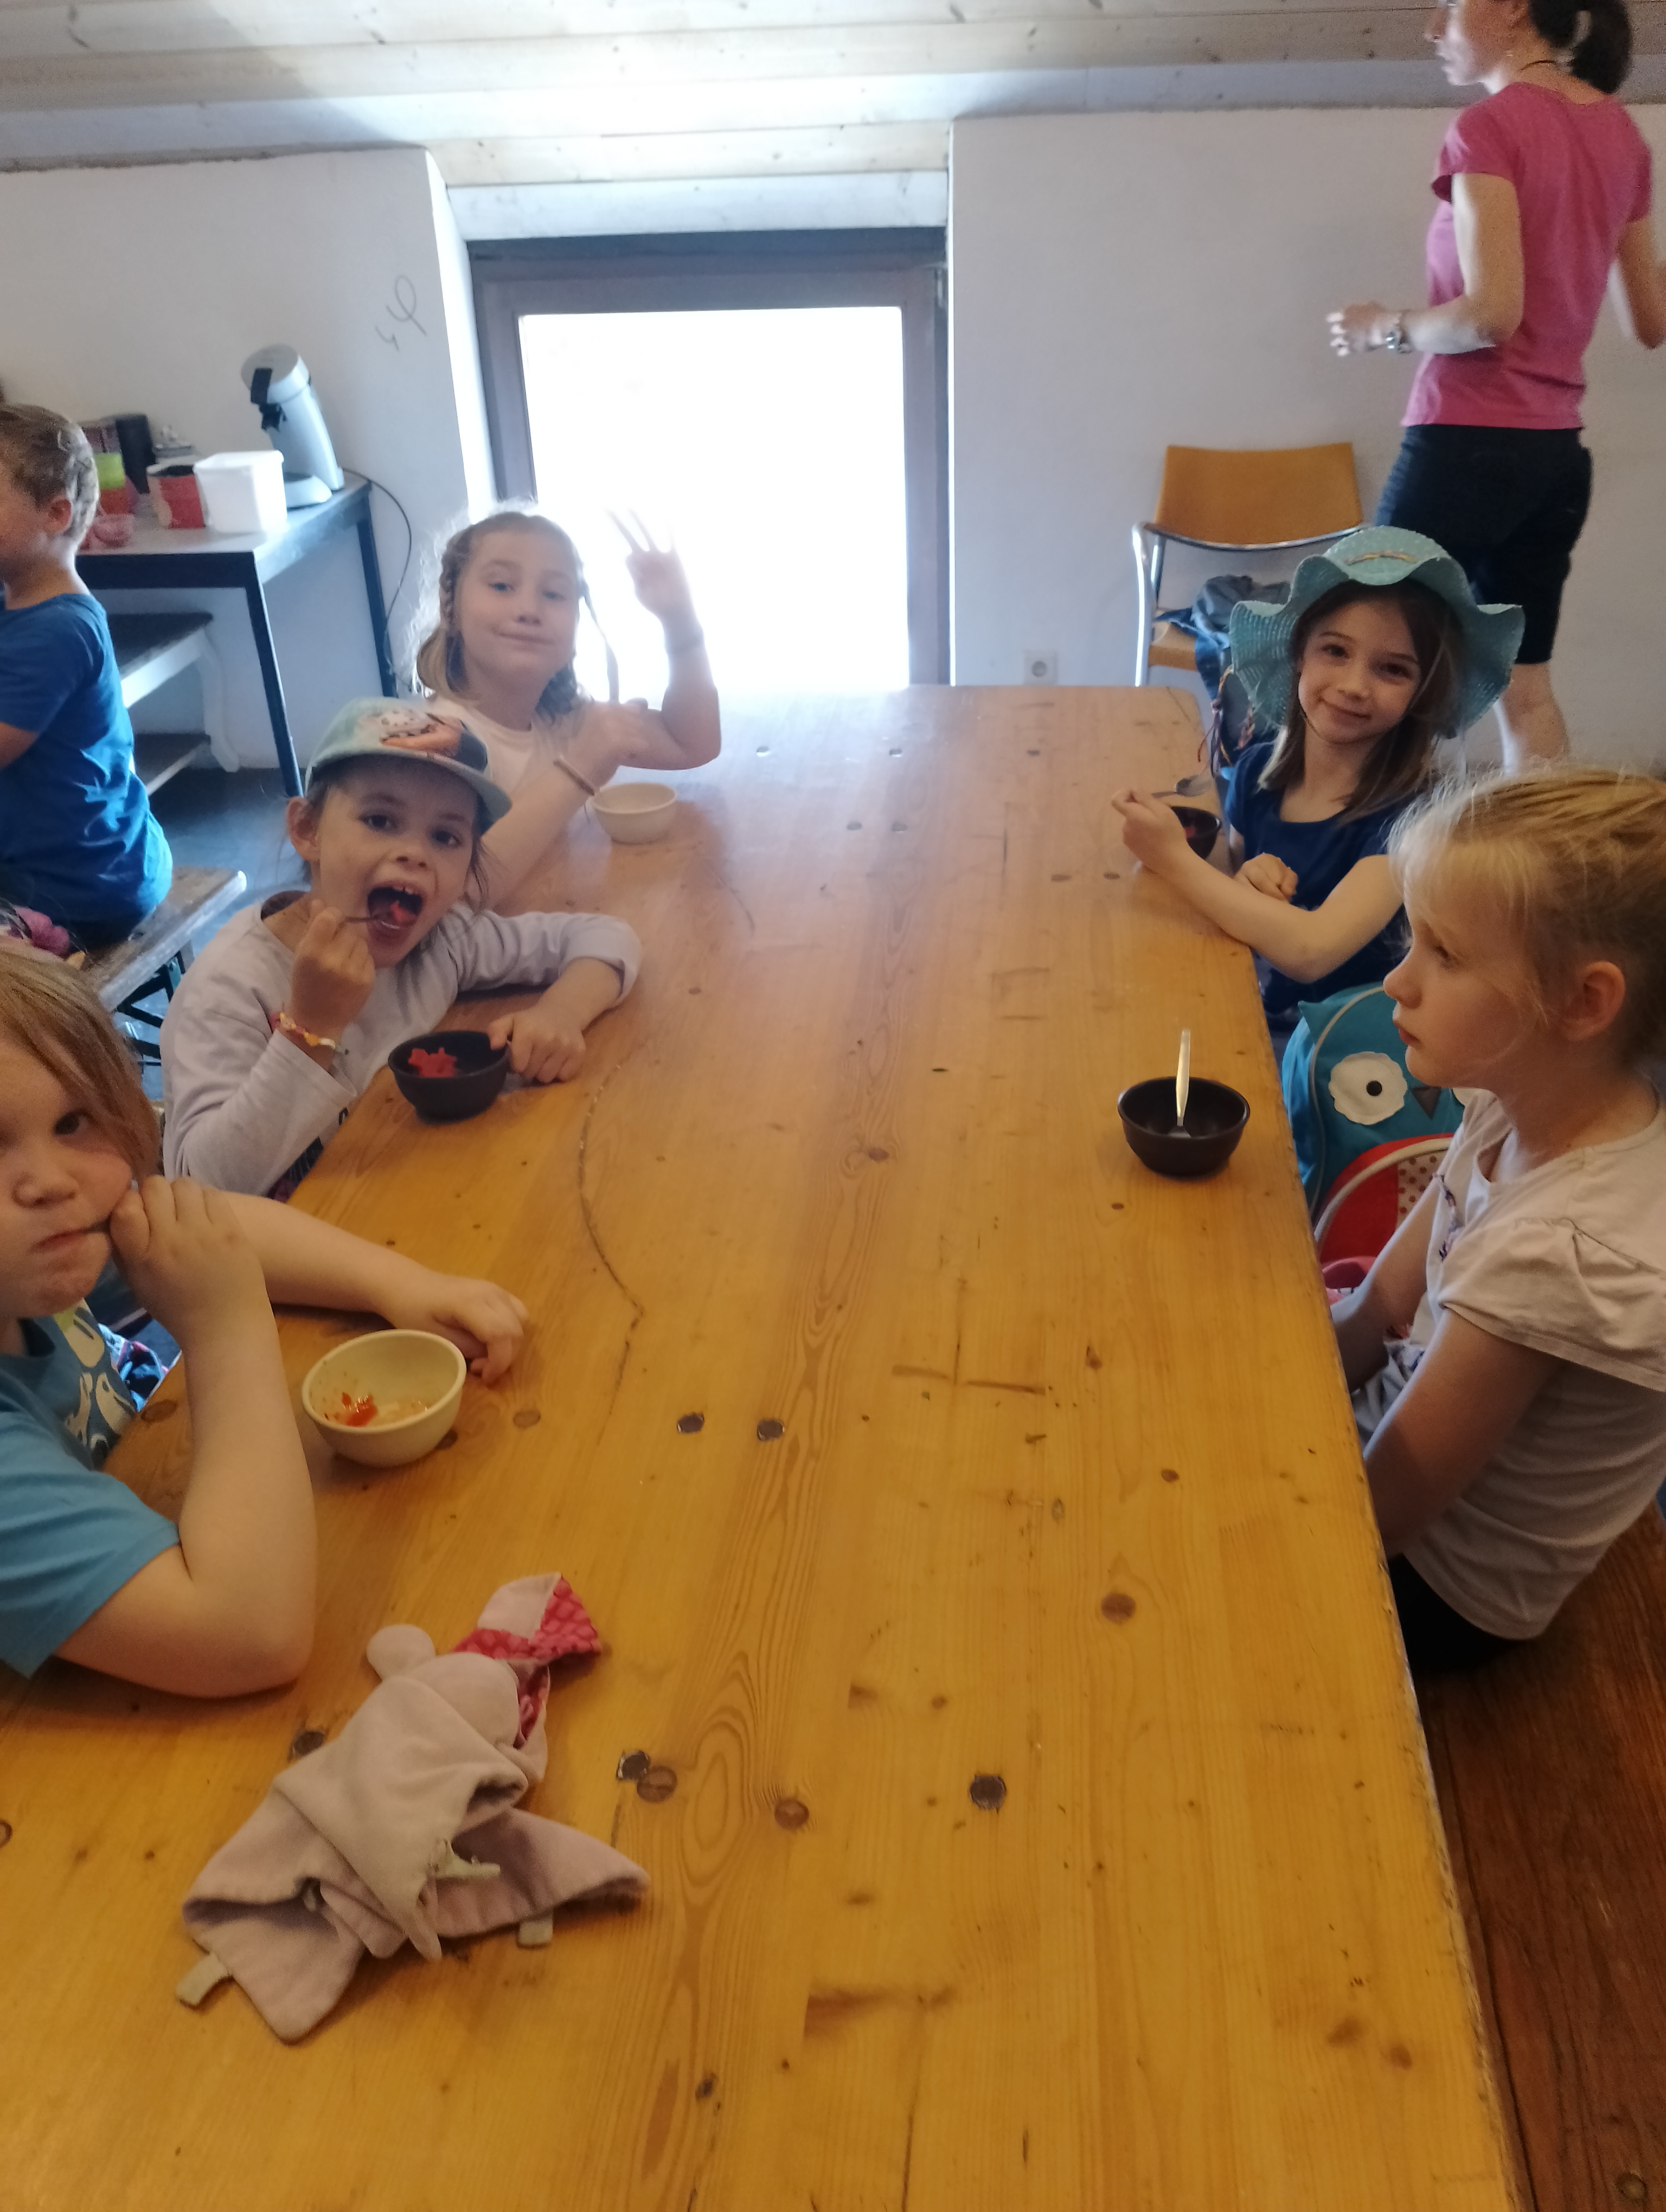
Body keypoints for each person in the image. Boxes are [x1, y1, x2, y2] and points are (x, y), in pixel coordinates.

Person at [0, 950, 528, 1695]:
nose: (53, 1182)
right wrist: (224, 1326)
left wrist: (401, 1284)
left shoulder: (25, 1256)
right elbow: (249, 1635)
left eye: (72, 1122)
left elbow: (217, 1229)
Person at [1332, 766, 1666, 1671]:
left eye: (1443, 954)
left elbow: (1379, 1518)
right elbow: (1373, 1311)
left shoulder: (1559, 1252)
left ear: (1582, 1003)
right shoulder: (1509, 1099)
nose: (1397, 980)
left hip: (1441, 1584)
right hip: (1395, 1443)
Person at [1327, 0, 1666, 770]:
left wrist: (1383, 327)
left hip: (1462, 448)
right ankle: (1539, 855)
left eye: (1449, 6)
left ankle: (1345, 849)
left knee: (1358, 670)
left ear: (1513, 8)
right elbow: (1652, 320)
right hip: (1554, 462)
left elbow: (1489, 316)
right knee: (1526, 689)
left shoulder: (1488, 128)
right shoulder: (1620, 134)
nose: (1432, 29)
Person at [160, 699, 641, 1198]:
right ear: (307, 830)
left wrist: (561, 1012)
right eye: (380, 820)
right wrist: (310, 1029)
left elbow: (607, 937)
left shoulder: (441, 942)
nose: (415, 853)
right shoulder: (231, 988)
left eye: (446, 836)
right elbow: (198, 1190)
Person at [1112, 528, 1523, 1050]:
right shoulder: (1257, 774)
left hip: (1354, 1061)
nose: (1354, 686)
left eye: (1392, 669)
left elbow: (1312, 952)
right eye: (1335, 650)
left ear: (1423, 692)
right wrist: (1247, 879)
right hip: (1265, 1022)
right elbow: (1236, 890)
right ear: (1299, 653)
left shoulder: (1415, 820)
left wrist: (1172, 858)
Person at [412, 507, 721, 907]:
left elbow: (692, 743)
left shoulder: (562, 718)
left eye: (554, 594)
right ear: (449, 608)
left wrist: (679, 620)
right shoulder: (438, 742)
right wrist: (580, 769)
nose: (529, 609)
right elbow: (452, 898)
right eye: (502, 585)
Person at [0, 403, 171, 941]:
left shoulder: (58, 629)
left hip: (77, 885)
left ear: (55, 514)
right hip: (87, 854)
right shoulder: (19, 605)